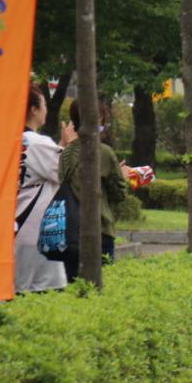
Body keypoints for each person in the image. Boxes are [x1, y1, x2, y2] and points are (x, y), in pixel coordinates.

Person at [59, 99, 127, 278]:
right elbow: (120, 194)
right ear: (95, 119)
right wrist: (122, 177)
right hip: (100, 228)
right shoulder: (103, 152)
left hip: (70, 231)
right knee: (100, 287)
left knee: (74, 286)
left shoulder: (65, 154)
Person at [15, 85, 70, 293]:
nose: (46, 109)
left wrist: (61, 146)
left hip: (12, 229)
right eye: (44, 104)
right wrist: (71, 146)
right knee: (44, 291)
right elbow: (65, 172)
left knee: (16, 292)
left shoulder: (9, 140)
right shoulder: (38, 142)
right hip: (38, 233)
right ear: (33, 109)